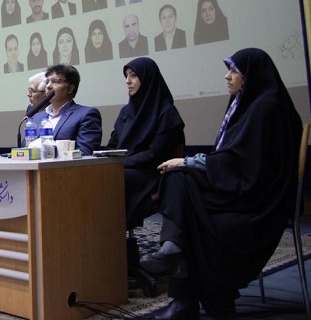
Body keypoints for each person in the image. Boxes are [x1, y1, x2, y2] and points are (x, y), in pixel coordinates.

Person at [140, 48, 301, 319]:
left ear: (252, 75)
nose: (227, 76)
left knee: (185, 197)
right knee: (179, 183)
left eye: (234, 71)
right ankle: (180, 270)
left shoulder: (266, 107)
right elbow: (230, 157)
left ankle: (186, 298)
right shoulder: (248, 102)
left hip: (257, 198)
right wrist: (188, 165)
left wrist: (187, 162)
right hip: (237, 184)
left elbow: (244, 162)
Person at [106, 57, 185, 230]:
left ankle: (112, 232)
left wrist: (121, 163)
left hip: (152, 172)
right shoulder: (126, 111)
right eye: (126, 75)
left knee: (112, 178)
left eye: (133, 75)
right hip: (126, 167)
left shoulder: (166, 112)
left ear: (148, 78)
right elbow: (113, 145)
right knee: (97, 175)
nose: (127, 81)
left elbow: (155, 154)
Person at [42, 64, 102, 156]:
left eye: (55, 81)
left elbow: (85, 153)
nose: (48, 86)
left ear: (70, 88)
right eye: (47, 82)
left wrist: (47, 153)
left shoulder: (86, 115)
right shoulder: (36, 117)